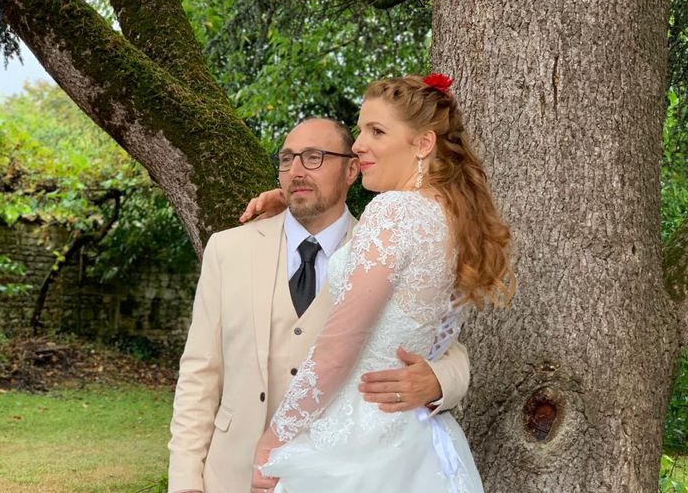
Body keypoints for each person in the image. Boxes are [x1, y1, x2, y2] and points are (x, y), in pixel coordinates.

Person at [167, 117, 472, 493]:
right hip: (231, 475)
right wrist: (184, 481)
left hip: (334, 474)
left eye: (314, 157)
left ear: (351, 170)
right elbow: (199, 373)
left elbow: (445, 345)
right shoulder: (228, 249)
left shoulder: (386, 246)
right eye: (287, 158)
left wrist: (438, 382)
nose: (296, 170)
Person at [249, 74, 515, 493]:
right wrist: (288, 201)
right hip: (419, 439)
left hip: (361, 439)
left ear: (423, 144)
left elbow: (341, 342)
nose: (358, 144)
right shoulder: (453, 219)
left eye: (376, 131)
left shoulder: (393, 212)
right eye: (359, 130)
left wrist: (274, 440)